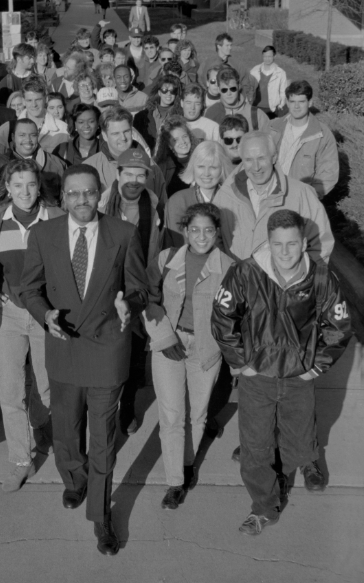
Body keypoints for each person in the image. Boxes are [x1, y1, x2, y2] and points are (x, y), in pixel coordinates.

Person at [20, 164, 150, 556]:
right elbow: (29, 287)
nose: (81, 200)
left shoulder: (123, 234)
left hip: (107, 347)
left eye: (89, 193)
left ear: (100, 194)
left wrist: (128, 303)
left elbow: (141, 287)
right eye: (74, 193)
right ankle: (74, 480)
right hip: (63, 346)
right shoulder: (43, 234)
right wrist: (45, 315)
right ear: (63, 198)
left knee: (103, 436)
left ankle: (101, 516)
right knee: (65, 428)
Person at [212, 209, 351, 536]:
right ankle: (263, 507)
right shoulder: (245, 272)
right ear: (268, 243)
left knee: (298, 444)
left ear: (303, 242)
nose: (285, 252)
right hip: (256, 378)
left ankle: (282, 476)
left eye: (292, 244)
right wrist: (239, 361)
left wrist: (317, 365)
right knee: (255, 447)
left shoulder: (320, 278)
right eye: (278, 245)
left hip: (298, 378)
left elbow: (339, 326)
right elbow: (222, 317)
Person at [0, 159, 64, 492]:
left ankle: (40, 424)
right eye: (18, 185)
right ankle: (20, 460)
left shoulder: (56, 218)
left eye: (31, 185)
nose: (25, 192)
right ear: (7, 188)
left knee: (46, 387)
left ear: (39, 186)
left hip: (45, 314)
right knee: (11, 392)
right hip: (8, 313)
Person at [147, 203, 234, 509]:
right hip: (169, 341)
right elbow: (148, 298)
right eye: (194, 229)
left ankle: (186, 464)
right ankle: (174, 483)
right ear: (184, 230)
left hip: (206, 347)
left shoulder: (228, 267)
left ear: (217, 233)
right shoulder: (167, 258)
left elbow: (235, 316)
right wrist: (163, 336)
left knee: (197, 414)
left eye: (208, 230)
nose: (201, 236)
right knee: (172, 416)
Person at [99, 147, 163, 434]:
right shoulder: (102, 203)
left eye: (141, 174)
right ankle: (104, 409)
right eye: (129, 174)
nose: (135, 180)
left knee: (136, 353)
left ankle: (128, 409)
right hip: (107, 287)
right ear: (118, 173)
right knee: (107, 353)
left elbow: (156, 249)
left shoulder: (153, 203)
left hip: (139, 287)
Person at [213, 131, 334, 263]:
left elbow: (321, 244)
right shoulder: (226, 195)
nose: (256, 167)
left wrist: (301, 278)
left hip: (284, 282)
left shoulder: (302, 194)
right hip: (237, 280)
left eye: (261, 158)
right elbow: (214, 239)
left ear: (274, 158)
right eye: (248, 160)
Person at [269, 81, 339, 199]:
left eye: (301, 102)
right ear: (287, 102)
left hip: (300, 199)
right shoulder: (273, 127)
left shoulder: (322, 134)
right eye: (292, 102)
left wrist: (307, 197)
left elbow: (328, 175)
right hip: (270, 195)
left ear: (310, 102)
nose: (296, 107)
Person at [85, 106, 167, 201]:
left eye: (126, 131)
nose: (123, 138)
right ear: (104, 135)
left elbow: (162, 207)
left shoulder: (152, 167)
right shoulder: (90, 168)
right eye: (116, 133)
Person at [164, 141, 232, 247]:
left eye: (213, 167)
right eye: (201, 167)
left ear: (222, 169)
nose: (206, 173)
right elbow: (178, 243)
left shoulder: (233, 201)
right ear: (193, 168)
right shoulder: (177, 201)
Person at [0, 78, 70, 154]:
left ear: (46, 99)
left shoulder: (63, 129)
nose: (34, 105)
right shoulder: (9, 128)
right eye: (29, 100)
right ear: (23, 101)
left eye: (38, 99)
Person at [7, 118, 66, 201]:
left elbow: (65, 200)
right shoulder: (3, 163)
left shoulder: (56, 164)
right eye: (22, 135)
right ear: (13, 137)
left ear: (38, 136)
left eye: (33, 135)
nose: (28, 140)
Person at [198, 33, 257, 103]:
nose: (230, 48)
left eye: (230, 45)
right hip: (212, 101)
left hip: (232, 101)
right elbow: (201, 79)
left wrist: (243, 97)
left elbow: (245, 81)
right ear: (219, 46)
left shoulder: (236, 64)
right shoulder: (208, 63)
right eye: (227, 45)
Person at [205, 67, 270, 131]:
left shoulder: (256, 115)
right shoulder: (212, 113)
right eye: (224, 90)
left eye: (233, 89)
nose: (229, 93)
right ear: (219, 90)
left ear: (239, 87)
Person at [133, 74, 184, 154]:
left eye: (172, 91)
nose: (168, 94)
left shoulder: (181, 117)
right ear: (159, 92)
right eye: (164, 90)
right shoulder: (141, 117)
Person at [155, 116, 198, 198]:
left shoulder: (201, 158)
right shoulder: (163, 167)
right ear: (169, 145)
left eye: (185, 136)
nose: (183, 142)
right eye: (175, 139)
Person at [250, 45, 288, 119]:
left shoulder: (281, 73)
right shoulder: (254, 71)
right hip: (256, 107)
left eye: (269, 56)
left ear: (274, 56)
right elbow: (249, 88)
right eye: (265, 56)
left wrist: (281, 105)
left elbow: (283, 92)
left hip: (272, 109)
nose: (267, 59)